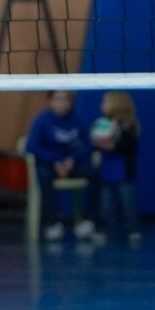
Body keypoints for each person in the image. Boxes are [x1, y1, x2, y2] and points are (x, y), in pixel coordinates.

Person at [25, 90, 99, 242]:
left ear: (71, 102)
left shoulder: (77, 120)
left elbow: (88, 145)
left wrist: (72, 159)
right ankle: (53, 223)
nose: (61, 103)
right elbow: (31, 146)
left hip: (72, 165)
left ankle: (88, 222)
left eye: (65, 99)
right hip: (50, 165)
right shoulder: (42, 121)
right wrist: (55, 161)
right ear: (50, 101)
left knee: (95, 174)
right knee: (43, 175)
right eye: (57, 99)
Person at [91, 91, 140, 243]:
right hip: (107, 170)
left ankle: (132, 229)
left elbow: (128, 146)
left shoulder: (128, 126)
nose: (102, 105)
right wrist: (99, 143)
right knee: (107, 204)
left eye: (105, 102)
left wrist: (113, 145)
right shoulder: (102, 123)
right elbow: (95, 143)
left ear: (116, 104)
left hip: (123, 171)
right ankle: (108, 229)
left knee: (127, 202)